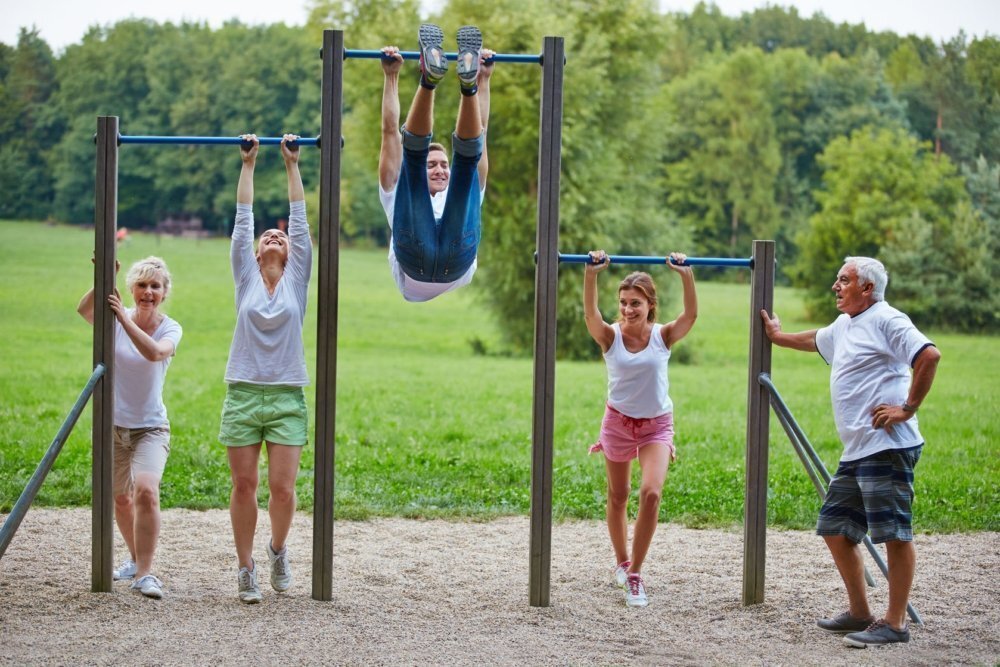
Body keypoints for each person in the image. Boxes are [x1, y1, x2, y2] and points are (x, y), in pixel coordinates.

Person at [760, 256, 941, 648]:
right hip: (858, 449)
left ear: (868, 288)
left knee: (893, 533)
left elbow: (929, 355)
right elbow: (816, 339)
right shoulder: (847, 324)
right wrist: (779, 336)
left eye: (844, 279)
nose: (835, 286)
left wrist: (907, 408)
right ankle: (859, 611)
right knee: (835, 528)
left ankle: (894, 624)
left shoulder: (888, 320)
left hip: (887, 447)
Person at [220, 134, 312, 604]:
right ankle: (245, 567)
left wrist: (291, 163)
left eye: (281, 236)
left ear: (293, 252)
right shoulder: (246, 279)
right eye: (266, 236)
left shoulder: (297, 281)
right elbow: (242, 223)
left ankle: (277, 550)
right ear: (255, 254)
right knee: (244, 484)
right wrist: (250, 163)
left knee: (281, 488)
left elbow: (298, 221)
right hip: (242, 392)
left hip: (285, 396)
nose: (274, 236)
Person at [583, 250, 698, 607]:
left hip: (656, 427)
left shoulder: (663, 336)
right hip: (617, 423)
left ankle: (635, 574)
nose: (628, 309)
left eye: (636, 303)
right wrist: (591, 274)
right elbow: (590, 314)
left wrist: (686, 275)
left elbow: (690, 315)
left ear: (650, 304)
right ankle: (620, 561)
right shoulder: (609, 336)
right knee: (618, 495)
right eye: (623, 303)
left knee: (650, 493)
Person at [77, 256, 183, 600]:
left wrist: (123, 317)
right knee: (120, 498)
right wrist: (106, 274)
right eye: (141, 285)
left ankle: (146, 574)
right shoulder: (113, 320)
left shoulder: (171, 328)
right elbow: (85, 311)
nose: (148, 292)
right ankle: (136, 562)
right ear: (131, 289)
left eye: (155, 286)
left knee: (146, 492)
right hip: (113, 426)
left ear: (165, 293)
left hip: (151, 428)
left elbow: (154, 353)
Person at [378, 23, 494, 302]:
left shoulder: (464, 195)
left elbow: (482, 130)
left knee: (464, 162)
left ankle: (444, 82)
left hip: (436, 258)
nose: (441, 169)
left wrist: (482, 81)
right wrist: (390, 76)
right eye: (433, 165)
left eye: (443, 164)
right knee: (453, 161)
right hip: (438, 259)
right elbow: (389, 131)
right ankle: (451, 83)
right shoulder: (395, 191)